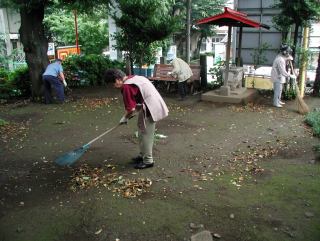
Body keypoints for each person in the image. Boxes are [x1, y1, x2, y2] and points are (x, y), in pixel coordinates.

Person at [104, 69, 169, 169]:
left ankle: (148, 161)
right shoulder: (133, 78)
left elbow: (130, 109)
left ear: (117, 80)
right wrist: (129, 114)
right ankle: (142, 155)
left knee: (146, 135)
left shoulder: (126, 86)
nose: (113, 87)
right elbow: (139, 97)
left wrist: (125, 118)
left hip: (151, 108)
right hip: (151, 104)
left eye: (112, 84)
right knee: (141, 131)